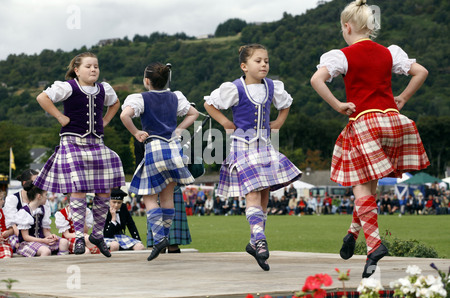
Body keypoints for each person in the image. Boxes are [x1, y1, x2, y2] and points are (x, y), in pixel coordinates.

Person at [310, 0, 430, 278]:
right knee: (368, 186)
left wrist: (338, 104)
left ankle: (374, 246)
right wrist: (403, 98)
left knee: (359, 186)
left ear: (347, 26)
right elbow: (421, 71)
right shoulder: (389, 53)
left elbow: (317, 80)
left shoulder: (342, 55)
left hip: (365, 122)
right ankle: (353, 233)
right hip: (393, 122)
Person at [204, 43, 302, 271]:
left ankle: (253, 241)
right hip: (243, 147)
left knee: (264, 197)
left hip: (265, 147)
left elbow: (286, 103)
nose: (264, 64)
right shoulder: (235, 88)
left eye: (266, 61)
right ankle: (259, 240)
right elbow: (209, 104)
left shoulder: (272, 87)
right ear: (244, 66)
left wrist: (278, 122)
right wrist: (226, 122)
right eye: (258, 61)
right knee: (253, 195)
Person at [32, 52, 125, 257]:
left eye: (96, 66)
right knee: (79, 188)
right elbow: (42, 97)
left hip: (96, 143)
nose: (93, 70)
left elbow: (116, 103)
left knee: (104, 190)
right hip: (72, 142)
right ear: (77, 70)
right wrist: (59, 117)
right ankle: (79, 237)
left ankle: (97, 235)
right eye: (88, 66)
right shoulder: (68, 86)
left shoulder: (103, 89)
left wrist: (106, 120)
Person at [121, 62, 198, 261]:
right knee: (167, 197)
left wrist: (137, 132)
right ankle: (164, 234)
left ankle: (159, 237)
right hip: (174, 149)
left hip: (154, 149)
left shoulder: (140, 98)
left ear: (147, 81)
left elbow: (124, 115)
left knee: (148, 197)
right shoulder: (176, 96)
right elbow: (194, 114)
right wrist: (179, 129)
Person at [14, 182, 69, 257]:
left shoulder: (42, 209)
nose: (47, 197)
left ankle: (61, 263)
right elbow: (25, 237)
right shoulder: (24, 212)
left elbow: (45, 231)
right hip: (27, 243)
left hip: (42, 240)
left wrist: (51, 236)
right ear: (39, 196)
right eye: (45, 195)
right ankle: (41, 268)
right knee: (46, 251)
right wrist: (43, 241)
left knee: (64, 242)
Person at [3, 169, 40, 254]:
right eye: (35, 182)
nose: (38, 185)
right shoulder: (13, 199)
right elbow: (13, 227)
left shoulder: (40, 198)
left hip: (35, 236)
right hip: (18, 236)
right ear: (24, 183)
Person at [0, 191, 13, 259]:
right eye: (1, 199)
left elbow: (12, 229)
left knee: (6, 257)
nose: (3, 201)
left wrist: (8, 232)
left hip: (3, 244)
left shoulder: (5, 212)